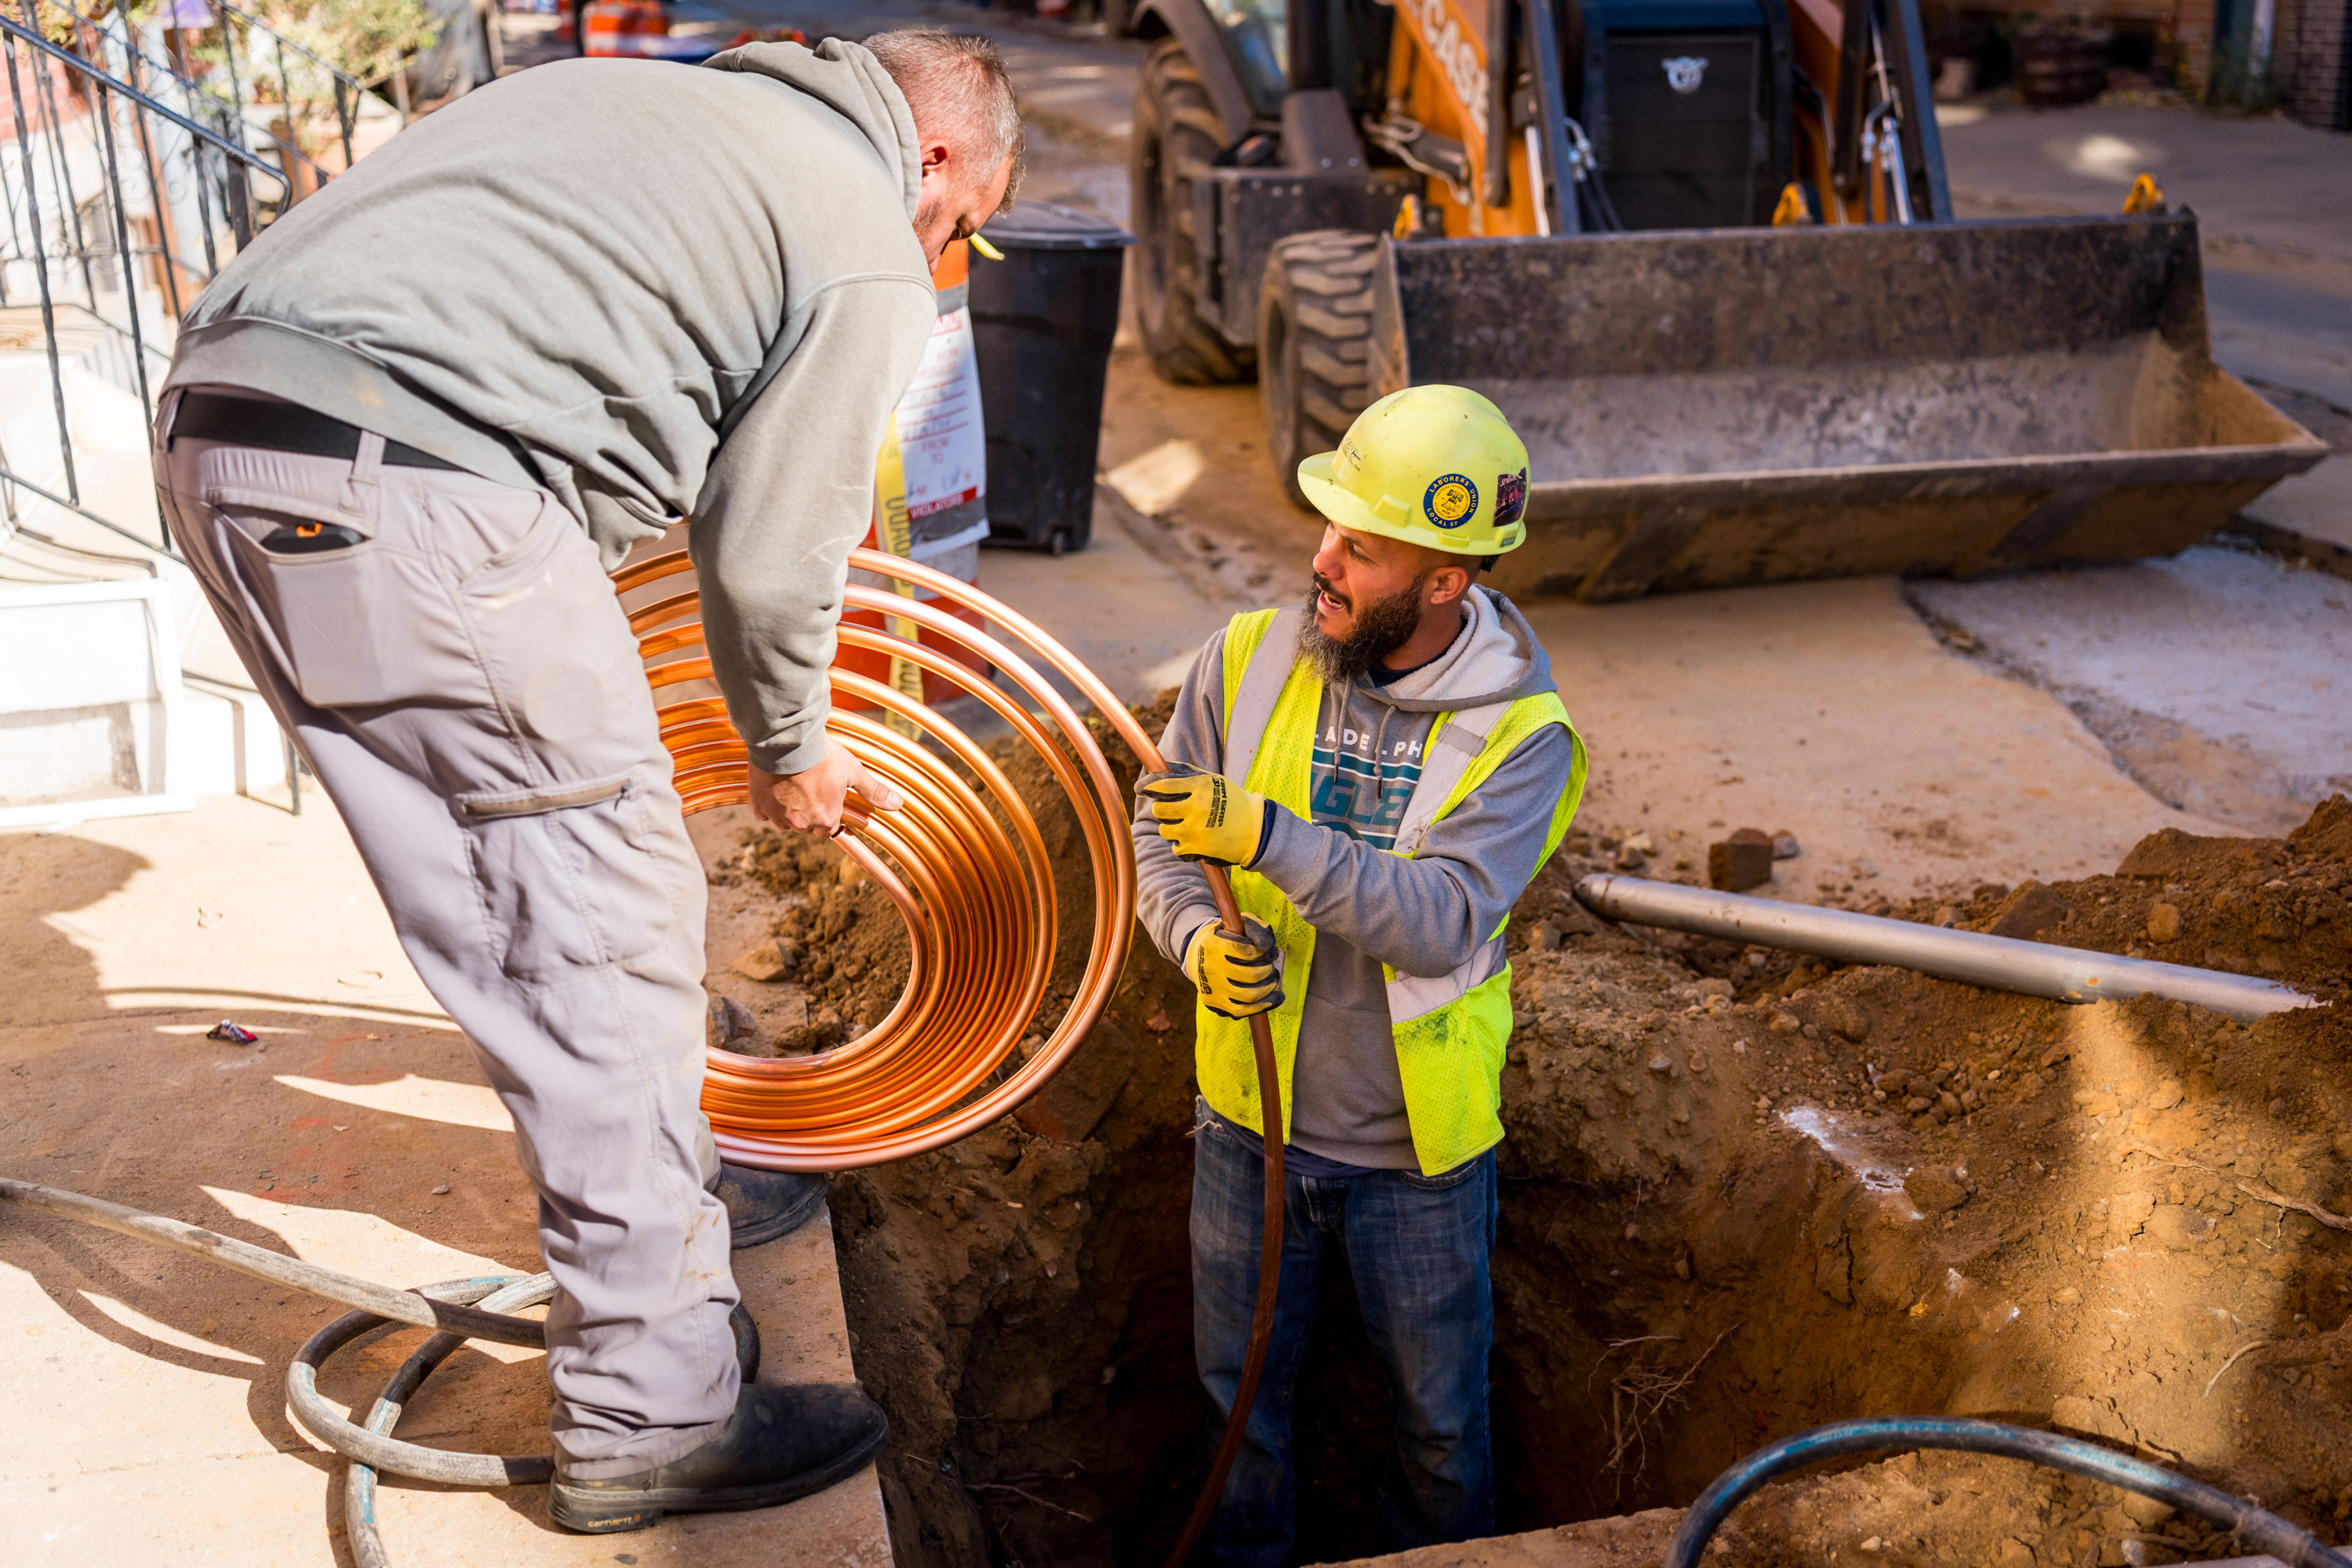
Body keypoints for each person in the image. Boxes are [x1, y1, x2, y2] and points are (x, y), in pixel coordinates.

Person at [150, 31, 1019, 1534]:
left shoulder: (669, 115)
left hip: (227, 444)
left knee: (517, 918)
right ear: (934, 158)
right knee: (602, 935)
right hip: (414, 478)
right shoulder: (859, 232)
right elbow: (775, 547)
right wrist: (794, 749)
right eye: (965, 224)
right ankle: (652, 1417)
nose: (946, 259)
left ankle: (663, 1290)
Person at [1135, 385, 1588, 1564]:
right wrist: (1191, 939)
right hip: (1252, 1127)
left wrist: (1270, 835)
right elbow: (1163, 835)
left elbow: (1440, 923)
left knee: (1440, 1435)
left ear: (1449, 582)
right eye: (1330, 528)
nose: (1322, 561)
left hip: (1417, 1160)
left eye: (1363, 549)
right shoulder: (1243, 660)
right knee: (1239, 1416)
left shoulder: (1521, 739)